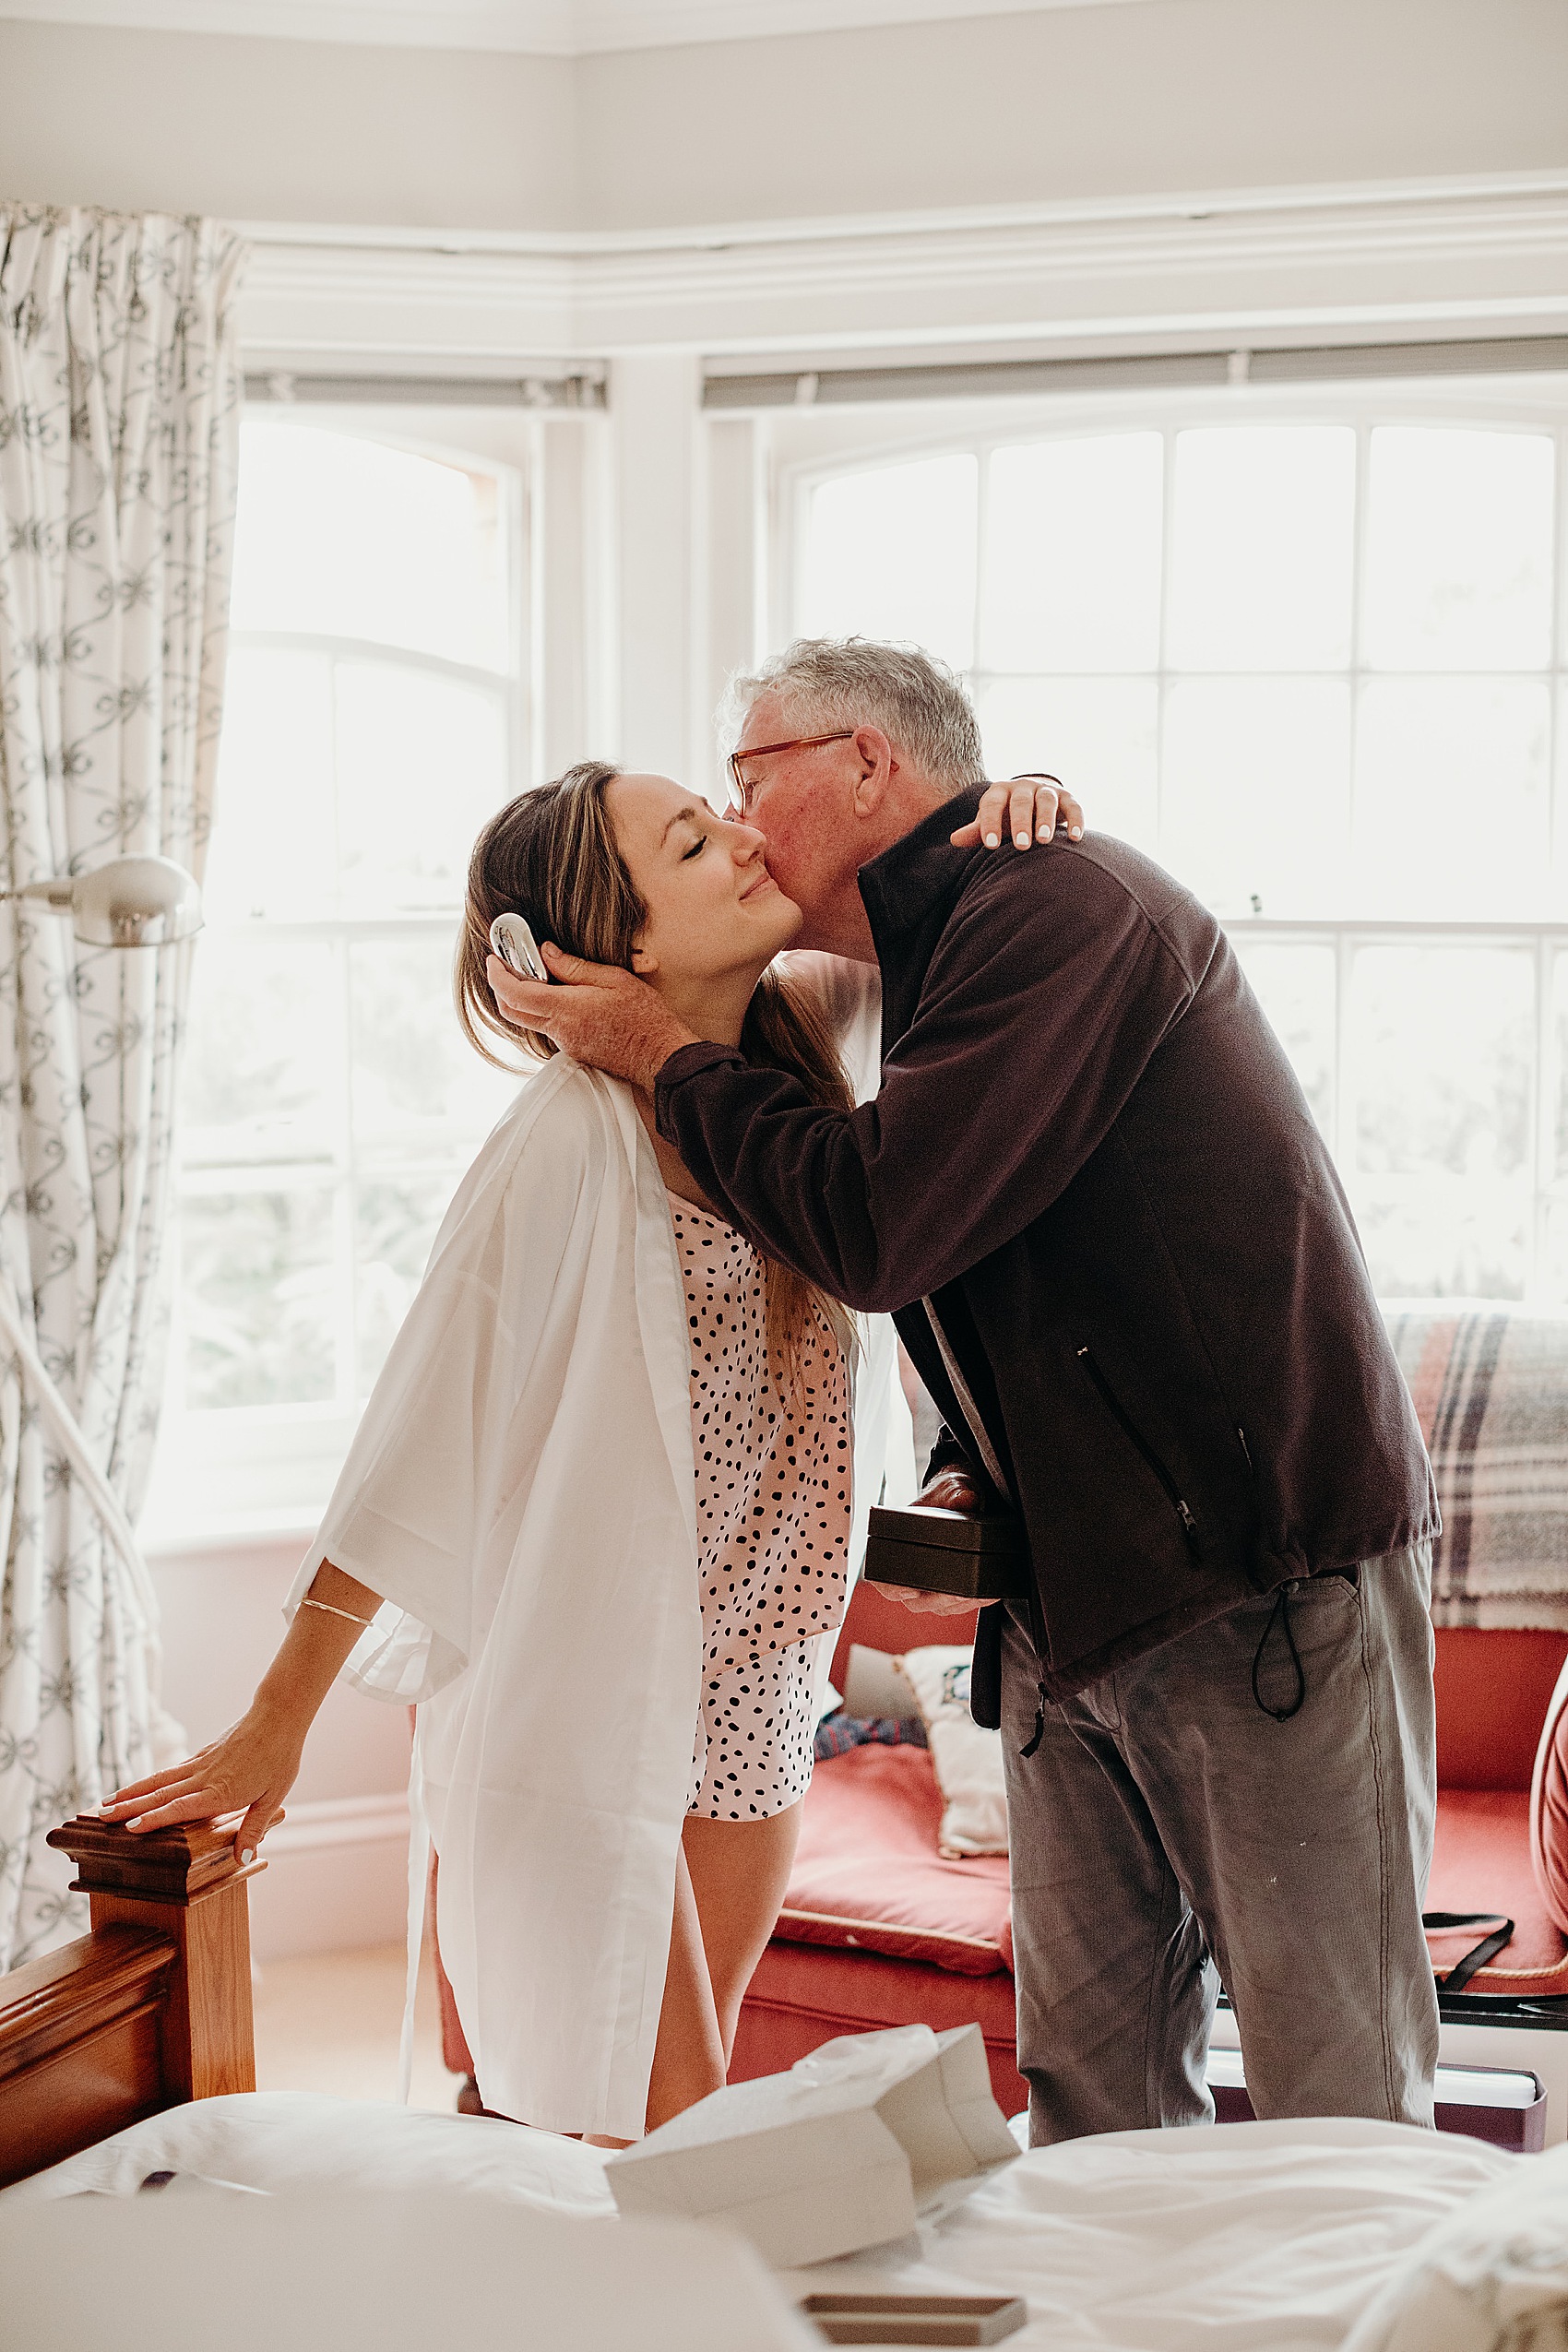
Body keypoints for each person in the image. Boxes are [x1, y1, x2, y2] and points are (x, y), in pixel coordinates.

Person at [488, 636, 1444, 2146]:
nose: (737, 826)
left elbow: (882, 1226)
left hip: (1259, 1586)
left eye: (749, 780)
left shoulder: (1060, 908)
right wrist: (972, 1466)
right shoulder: (913, 969)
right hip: (1070, 1612)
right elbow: (1016, 1263)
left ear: (868, 763)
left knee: (1337, 2089)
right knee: (1092, 2093)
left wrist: (654, 1044)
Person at [99, 754, 1073, 2144]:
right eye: (692, 842)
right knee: (662, 2124)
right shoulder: (566, 1136)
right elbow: (412, 1439)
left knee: (667, 2121)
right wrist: (276, 1719)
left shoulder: (796, 1071)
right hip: (593, 1690)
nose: (743, 839)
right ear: (615, 948)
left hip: (763, 1678)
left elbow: (946, 940)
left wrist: (1016, 807)